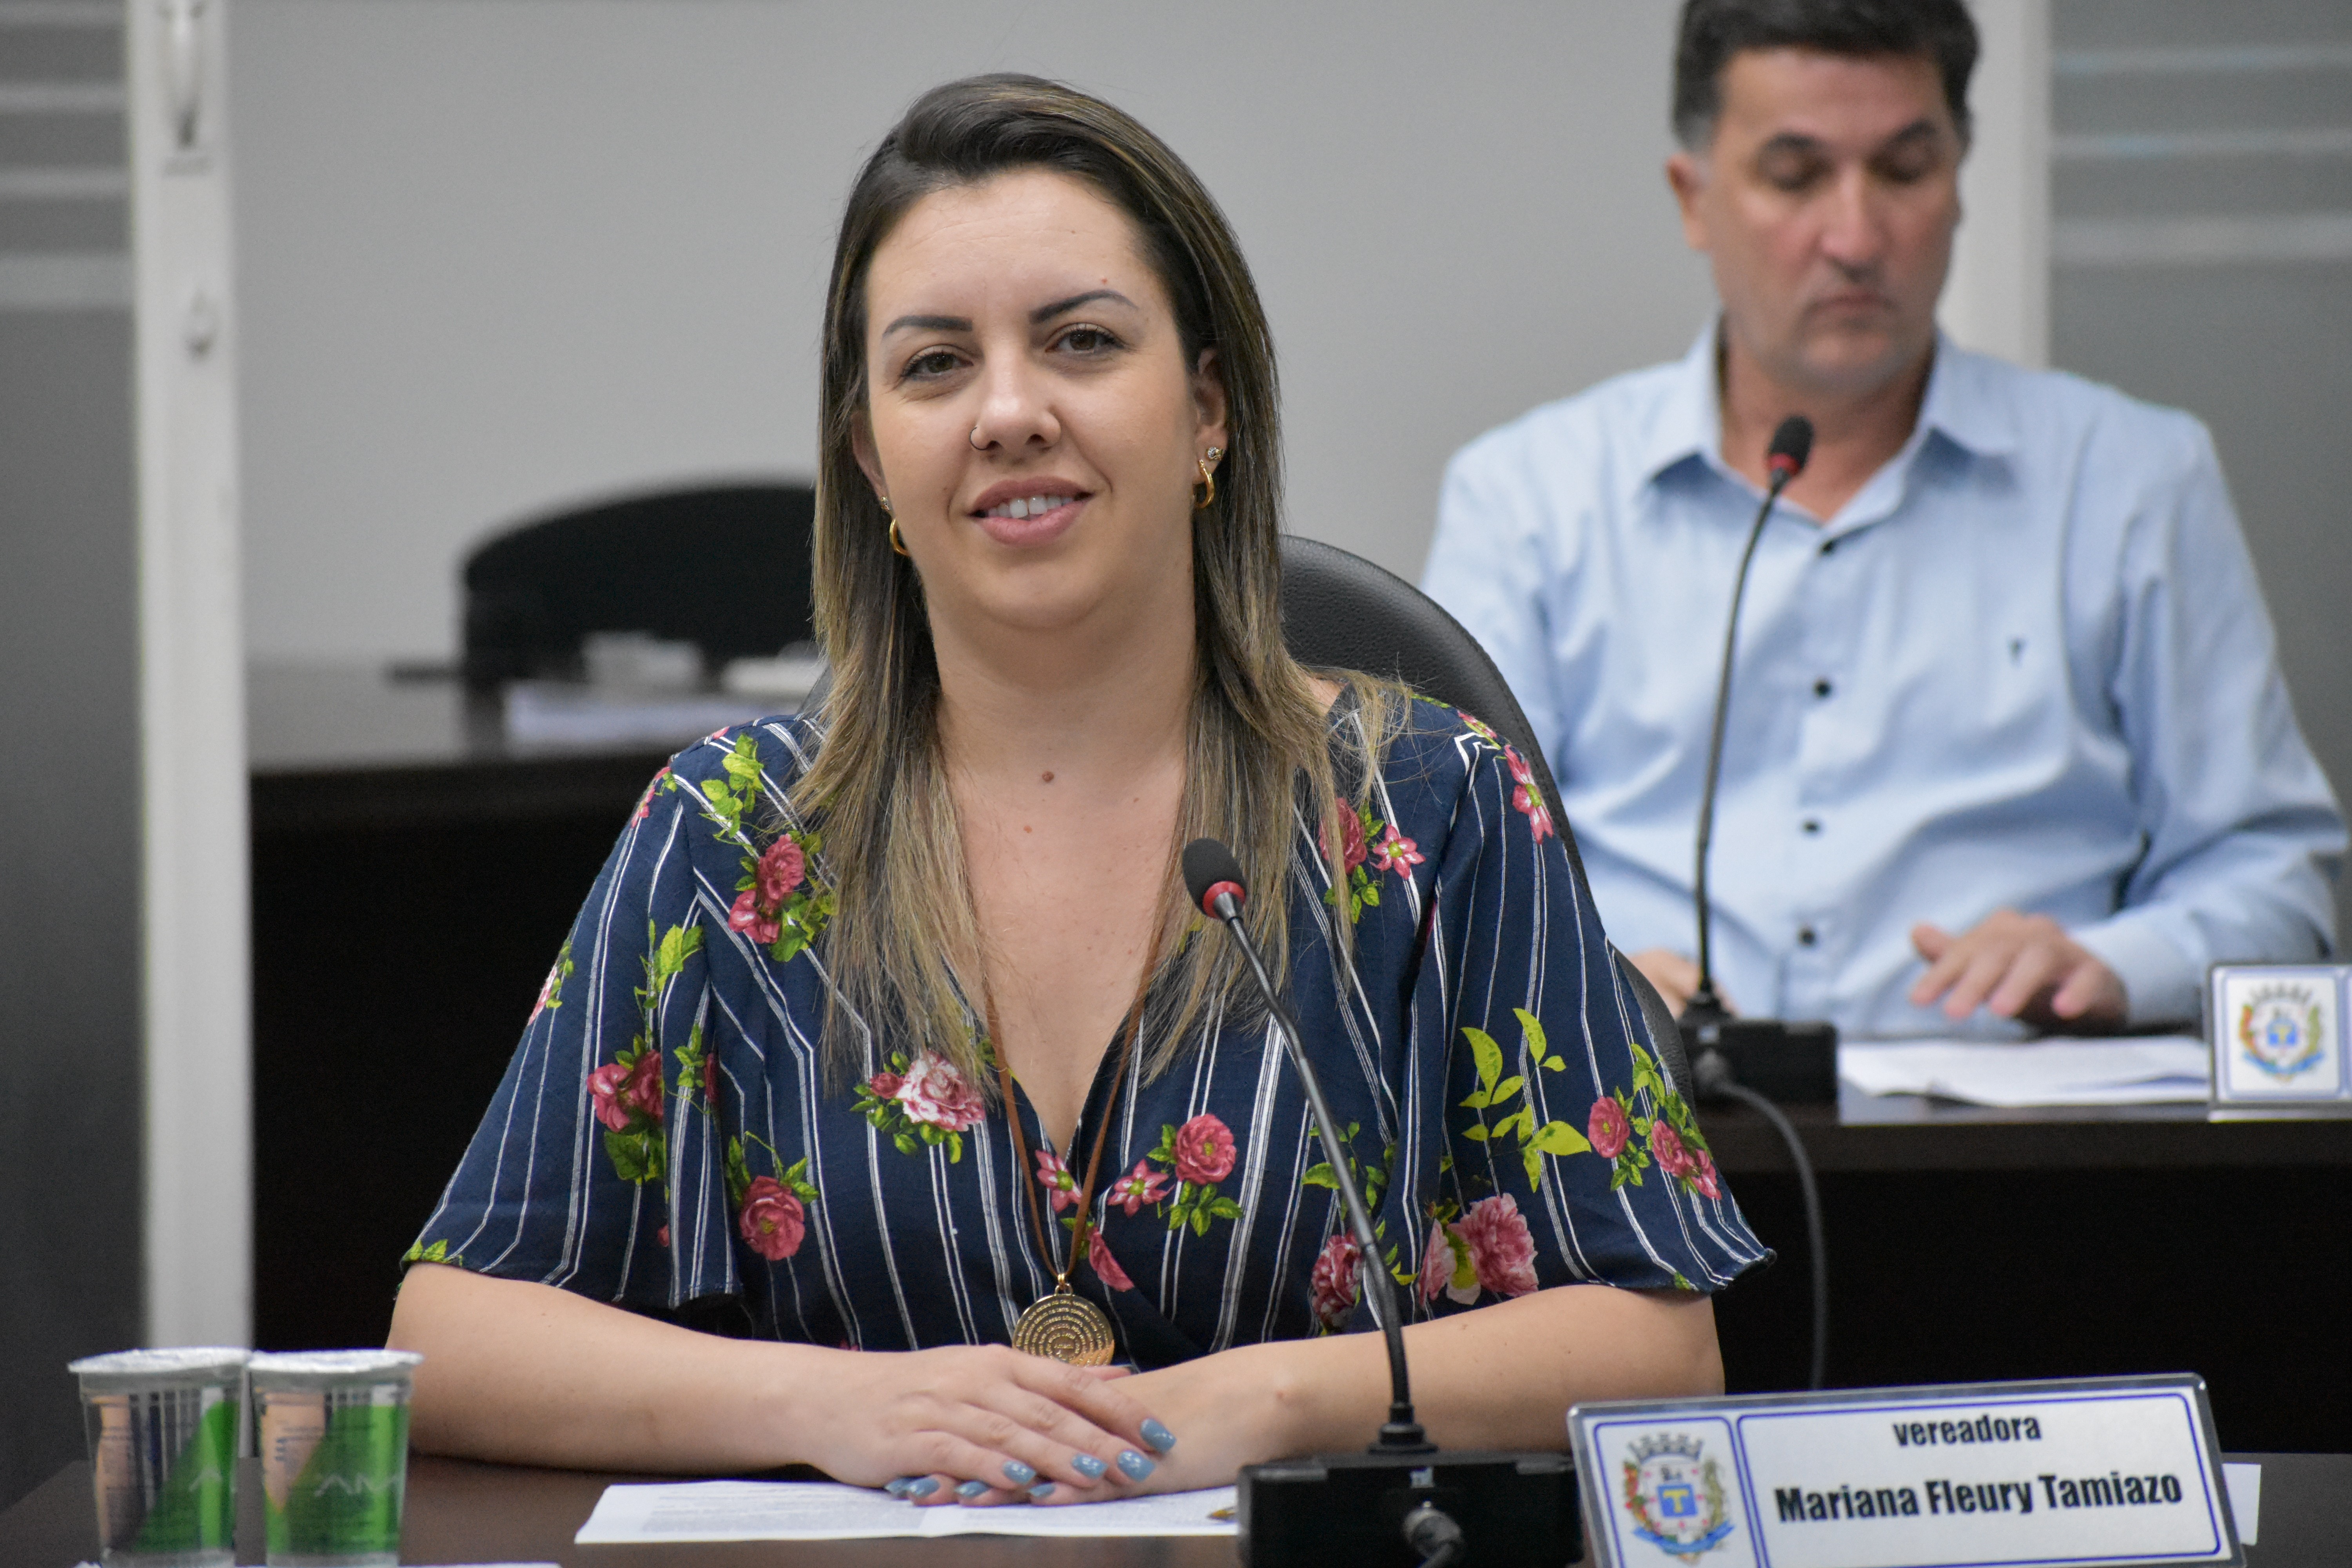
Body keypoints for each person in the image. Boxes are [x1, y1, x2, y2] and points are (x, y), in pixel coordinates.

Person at [389, 74, 1761, 1505]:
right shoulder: (732, 837)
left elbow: (1661, 1346)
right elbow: (452, 1340)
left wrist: (1270, 1400)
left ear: (1209, 411)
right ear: (871, 460)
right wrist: (838, 1404)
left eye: (1082, 342)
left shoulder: (1433, 810)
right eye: (935, 366)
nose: (1008, 412)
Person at [1423, 0, 2342, 1042]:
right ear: (1695, 199)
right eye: (1796, 176)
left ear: (1958, 181)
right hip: (1647, 1120)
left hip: (2032, 1123)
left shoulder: (2132, 480)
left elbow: (2276, 879)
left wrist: (2119, 965)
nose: (1856, 239)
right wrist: (1574, 974)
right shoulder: (1531, 498)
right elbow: (1439, 874)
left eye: (1904, 171)